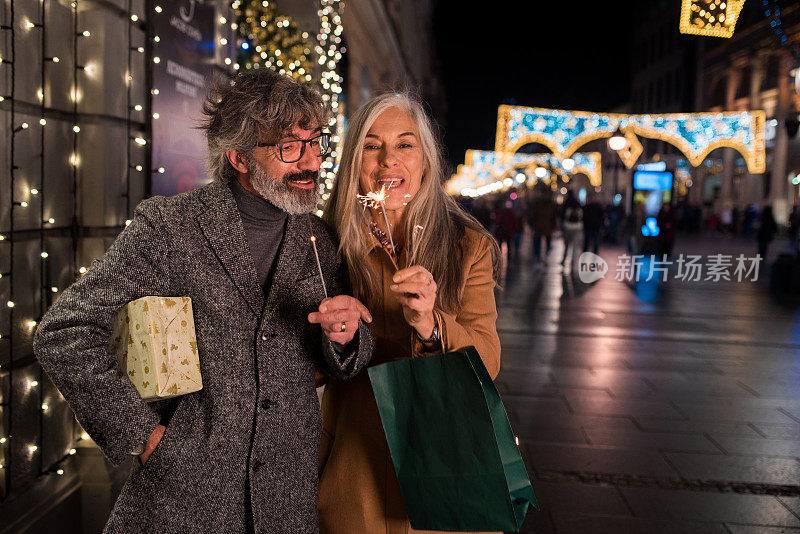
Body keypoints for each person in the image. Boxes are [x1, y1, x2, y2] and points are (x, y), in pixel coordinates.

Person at [33, 69, 374, 533]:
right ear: (238, 157)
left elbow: (341, 361)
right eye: (289, 147)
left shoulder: (319, 237)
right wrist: (142, 434)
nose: (311, 162)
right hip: (186, 501)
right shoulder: (172, 226)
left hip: (286, 505)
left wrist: (347, 337)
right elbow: (64, 331)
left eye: (316, 143)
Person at [317, 93, 502, 534]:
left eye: (405, 145)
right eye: (371, 145)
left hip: (443, 458)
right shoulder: (324, 245)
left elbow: (488, 362)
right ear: (353, 161)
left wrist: (431, 325)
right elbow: (298, 369)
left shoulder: (468, 246)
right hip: (355, 463)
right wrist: (333, 340)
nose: (387, 161)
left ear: (426, 162)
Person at [529, 187, 557, 265]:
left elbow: (553, 216)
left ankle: (542, 257)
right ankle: (540, 257)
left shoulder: (548, 203)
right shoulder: (541, 203)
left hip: (543, 226)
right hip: (541, 226)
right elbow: (533, 215)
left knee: (543, 242)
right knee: (540, 243)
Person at [560, 190, 583, 267]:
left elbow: (562, 215)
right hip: (577, 227)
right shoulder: (578, 204)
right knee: (575, 245)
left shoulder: (566, 203)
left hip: (567, 226)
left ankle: (564, 260)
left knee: (567, 245)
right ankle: (573, 261)